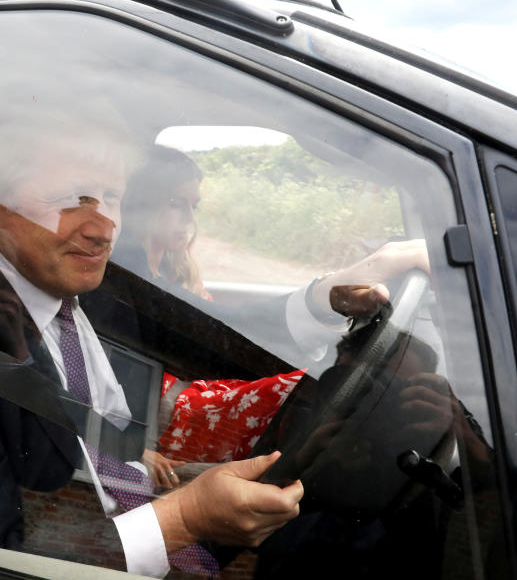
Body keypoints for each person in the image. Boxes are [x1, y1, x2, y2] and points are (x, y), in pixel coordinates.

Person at [0, 109, 304, 578]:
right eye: (71, 197)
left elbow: (205, 333)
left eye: (112, 197)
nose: (103, 228)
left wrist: (133, 461)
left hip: (98, 510)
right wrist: (183, 518)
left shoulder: (58, 277)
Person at [112, 145, 431, 485]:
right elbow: (212, 334)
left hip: (200, 392)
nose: (189, 219)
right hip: (165, 407)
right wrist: (327, 294)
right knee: (304, 393)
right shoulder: (122, 270)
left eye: (194, 206)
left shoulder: (177, 270)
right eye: (175, 203)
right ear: (137, 202)